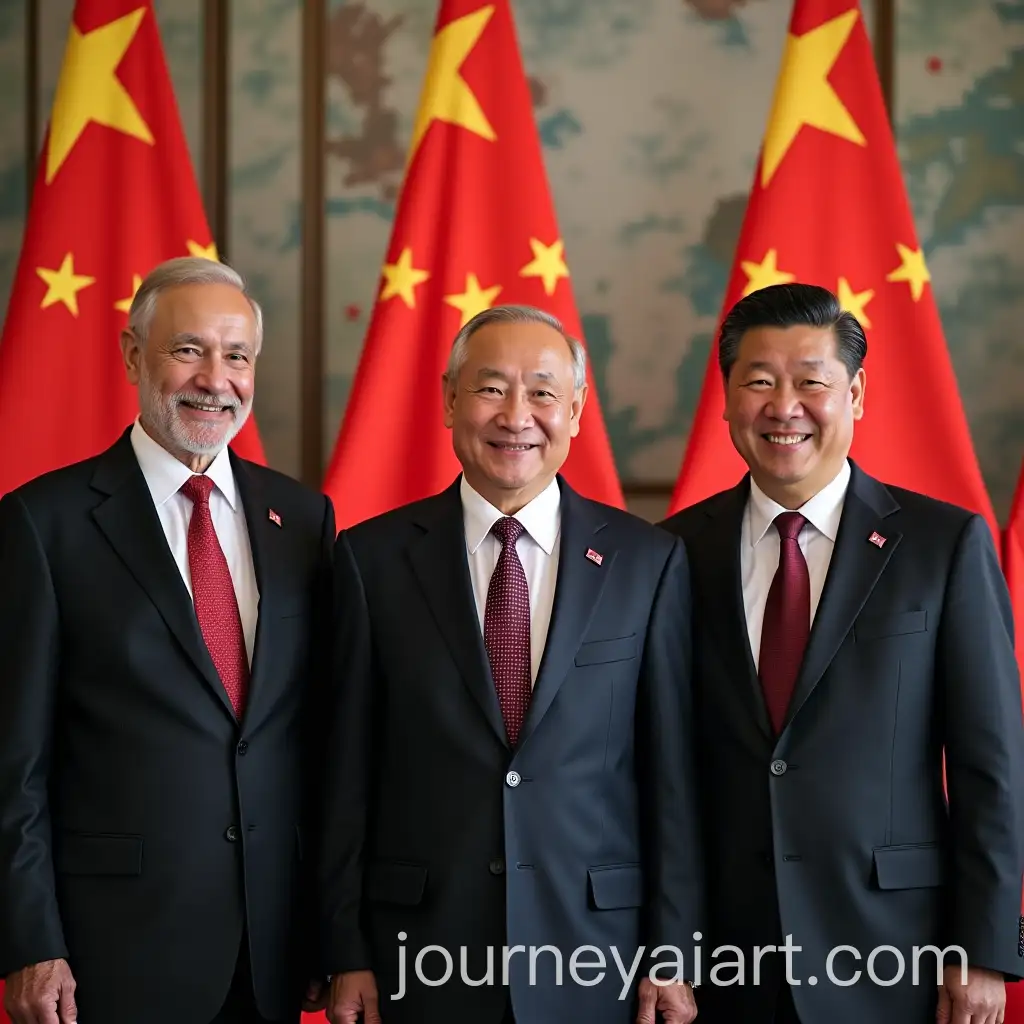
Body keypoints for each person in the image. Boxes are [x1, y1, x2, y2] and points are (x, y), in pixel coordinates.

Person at [318, 305, 703, 1024]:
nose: (516, 416)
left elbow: (670, 775)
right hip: (420, 949)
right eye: (492, 388)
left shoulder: (646, 561)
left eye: (543, 393)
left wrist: (673, 948)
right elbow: (345, 771)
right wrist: (345, 949)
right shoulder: (371, 562)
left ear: (578, 409)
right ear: (449, 400)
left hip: (596, 949)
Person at [660, 282, 1024, 1024]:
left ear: (855, 394)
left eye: (811, 382)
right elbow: (660, 765)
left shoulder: (942, 546)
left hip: (895, 949)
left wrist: (983, 946)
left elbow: (992, 763)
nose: (783, 406)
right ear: (726, 399)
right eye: (758, 381)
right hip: (727, 957)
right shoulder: (673, 551)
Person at [0, 257, 335, 1024]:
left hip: (274, 947)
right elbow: (12, 760)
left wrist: (330, 926)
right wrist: (29, 939)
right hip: (110, 951)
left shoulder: (303, 522)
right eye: (188, 350)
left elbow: (317, 739)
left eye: (237, 356)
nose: (214, 379)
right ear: (131, 355)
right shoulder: (43, 524)